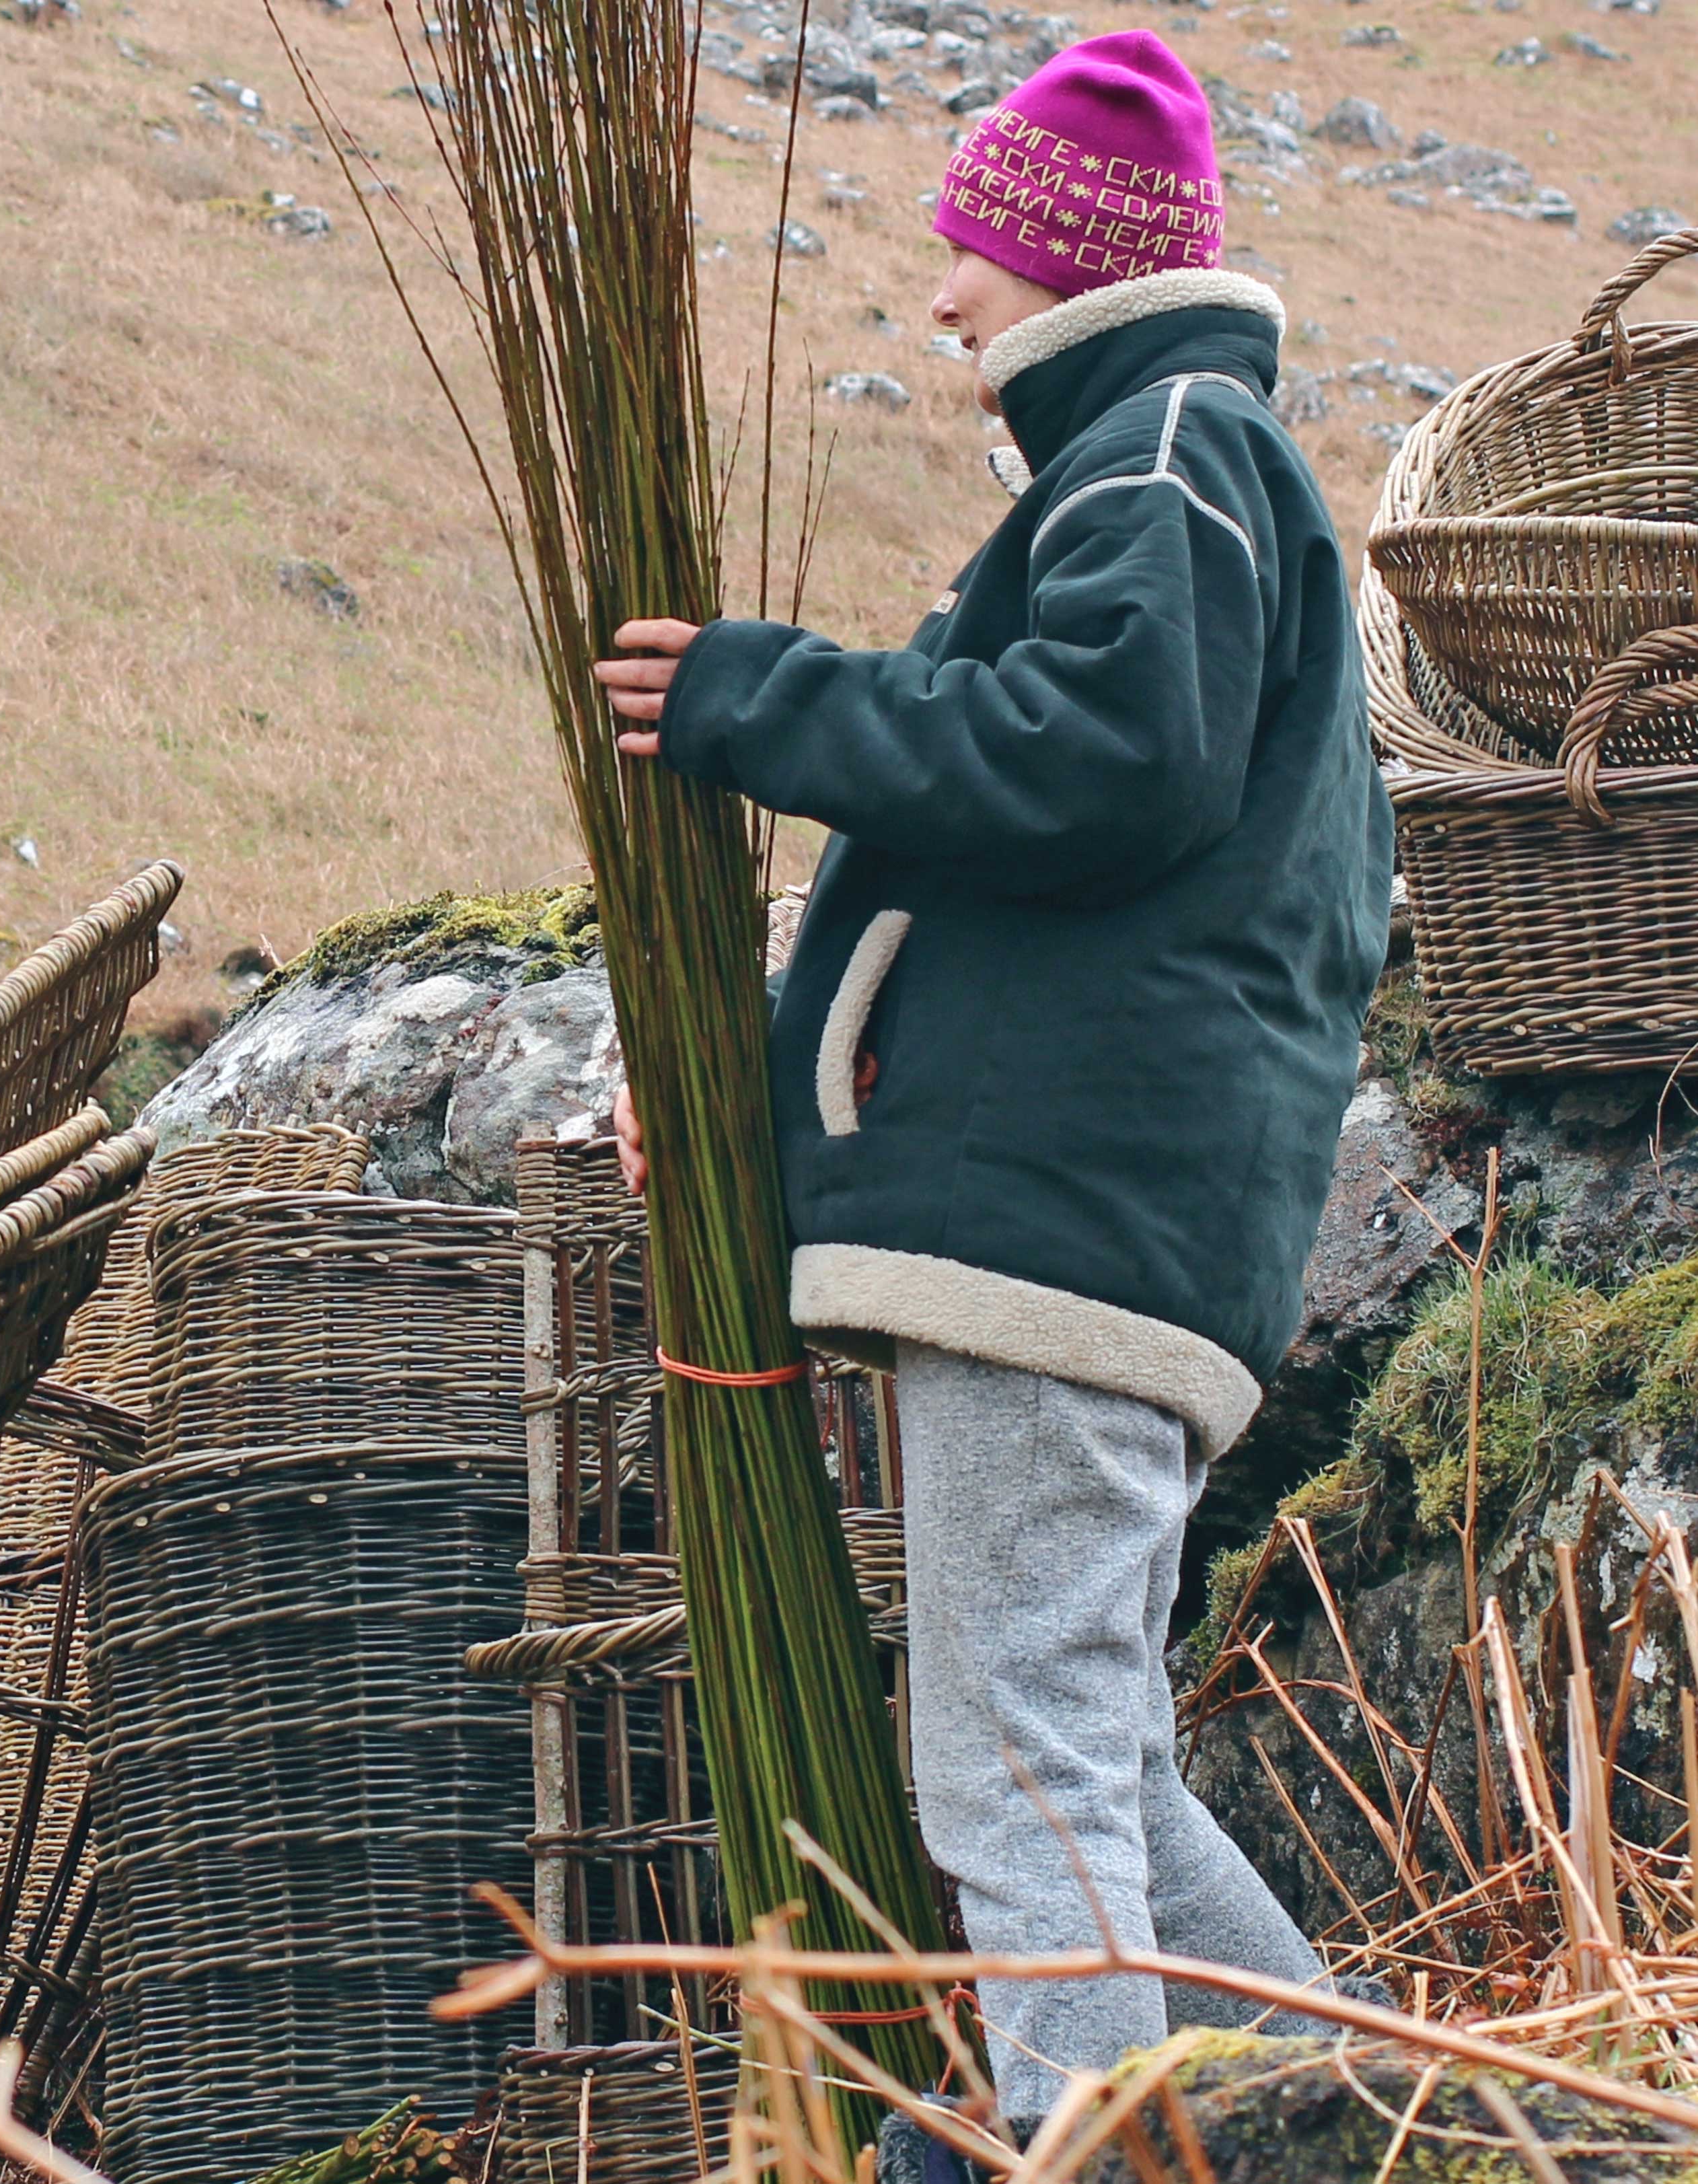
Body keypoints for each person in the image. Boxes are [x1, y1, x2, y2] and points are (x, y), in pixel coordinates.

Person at [592, 33, 1393, 2177]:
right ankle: (1388, 2127)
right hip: (1108, 1231)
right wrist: (755, 1114)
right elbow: (1039, 888)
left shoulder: (1163, 460)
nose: (938, 293)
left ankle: (1072, 2152)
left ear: (1055, 255)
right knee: (1092, 1769)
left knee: (1014, 1772)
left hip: (1056, 1243)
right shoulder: (1168, 469)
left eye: (967, 245)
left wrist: (767, 700)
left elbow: (1098, 759)